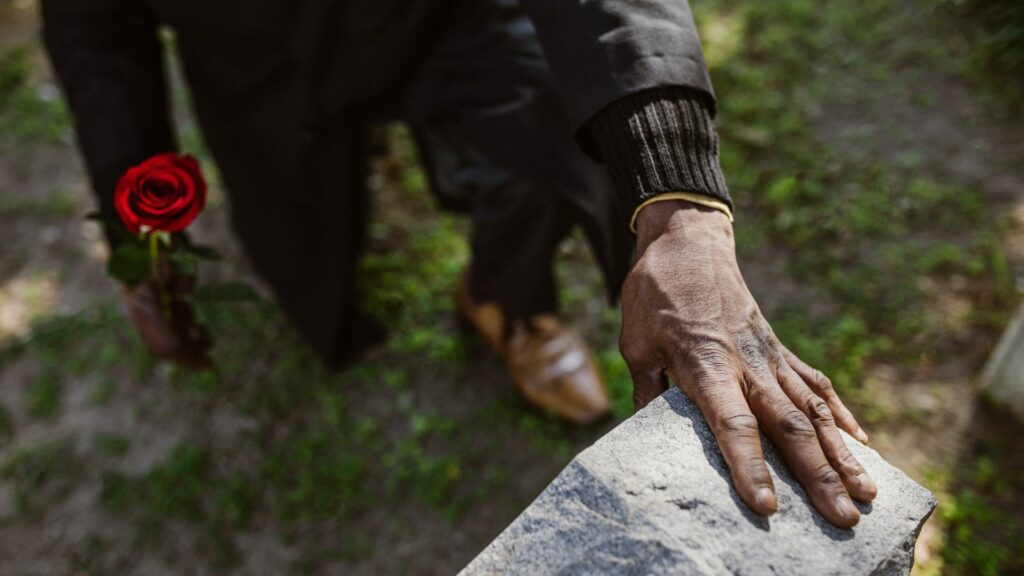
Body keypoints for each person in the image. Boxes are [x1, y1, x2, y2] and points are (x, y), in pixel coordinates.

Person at [41, 0, 877, 527]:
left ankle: (506, 301)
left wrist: (682, 209)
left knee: (561, 146)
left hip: (440, 18)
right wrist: (134, 220)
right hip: (249, 46)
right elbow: (91, 25)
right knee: (296, 248)